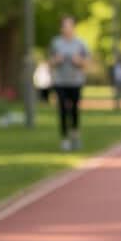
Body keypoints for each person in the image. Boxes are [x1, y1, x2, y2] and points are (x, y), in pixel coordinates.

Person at [49, 15, 90, 151]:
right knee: (62, 110)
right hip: (60, 81)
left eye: (70, 25)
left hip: (75, 81)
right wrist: (57, 60)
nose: (68, 28)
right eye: (65, 26)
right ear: (61, 28)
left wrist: (79, 61)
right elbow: (50, 62)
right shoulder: (56, 43)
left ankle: (75, 134)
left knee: (74, 110)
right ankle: (64, 138)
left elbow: (87, 62)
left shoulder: (80, 43)